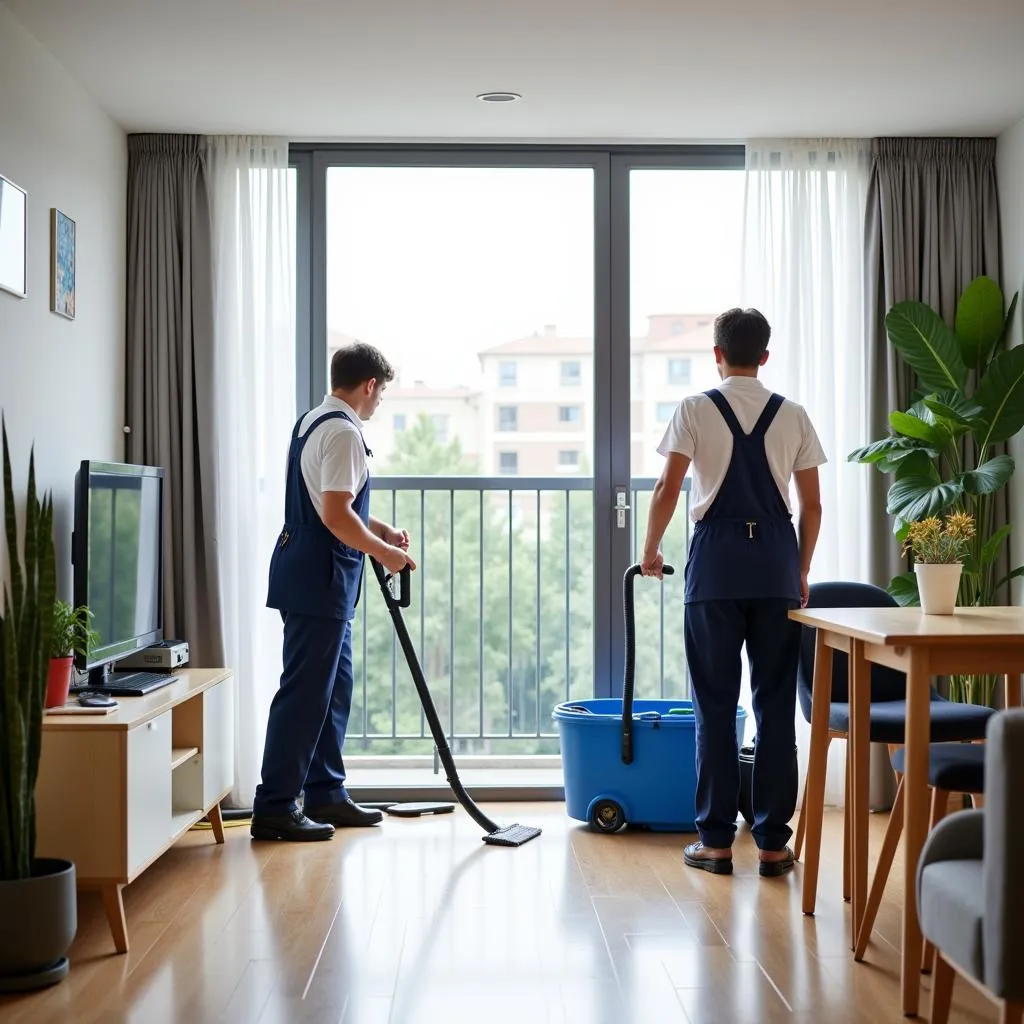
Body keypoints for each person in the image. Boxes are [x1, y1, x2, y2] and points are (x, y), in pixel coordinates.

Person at [640, 308, 824, 877]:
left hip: (716, 564)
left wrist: (651, 549)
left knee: (714, 706)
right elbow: (812, 505)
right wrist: (800, 569)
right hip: (774, 564)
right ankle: (772, 844)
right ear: (764, 356)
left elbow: (670, 486)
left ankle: (715, 843)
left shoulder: (695, 408)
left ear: (715, 355)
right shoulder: (792, 414)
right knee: (773, 706)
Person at [251, 342, 416, 842]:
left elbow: (330, 499)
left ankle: (326, 791)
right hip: (320, 575)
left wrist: (380, 530)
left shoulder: (311, 421)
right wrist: (383, 554)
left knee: (332, 687)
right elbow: (336, 515)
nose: (378, 402)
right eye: (381, 393)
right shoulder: (345, 433)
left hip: (310, 569)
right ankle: (276, 804)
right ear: (369, 386)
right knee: (305, 693)